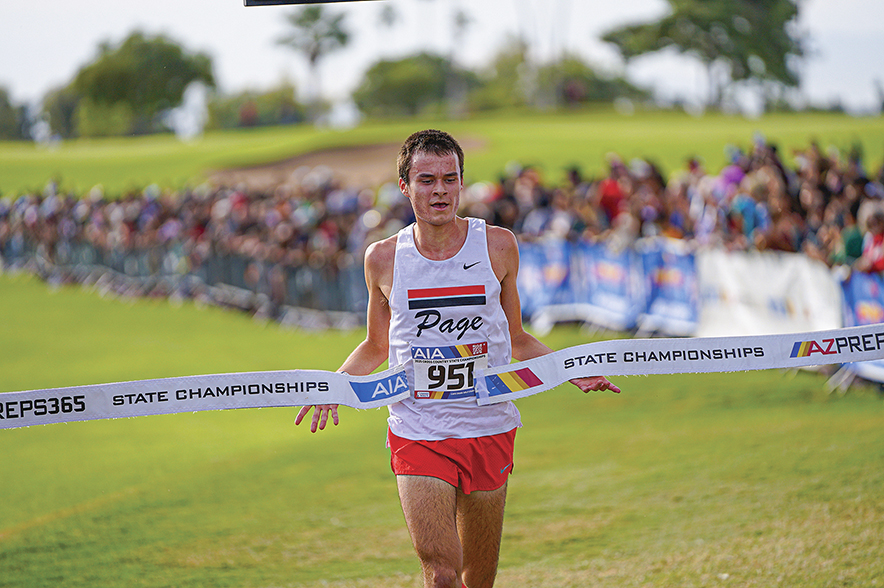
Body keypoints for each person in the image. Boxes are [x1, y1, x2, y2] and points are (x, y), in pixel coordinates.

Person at [295, 129, 620, 588]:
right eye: (427, 180)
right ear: (405, 187)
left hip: (488, 426)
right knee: (442, 574)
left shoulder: (498, 245)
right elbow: (376, 346)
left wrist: (570, 370)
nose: (440, 191)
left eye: (450, 179)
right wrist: (335, 385)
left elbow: (518, 338)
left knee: (477, 580)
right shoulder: (383, 258)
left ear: (462, 183)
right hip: (418, 428)